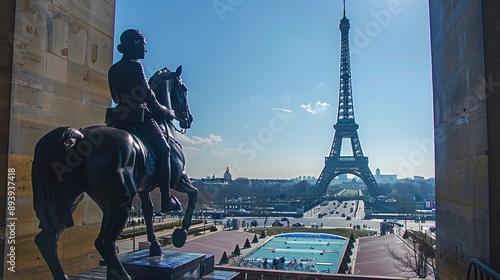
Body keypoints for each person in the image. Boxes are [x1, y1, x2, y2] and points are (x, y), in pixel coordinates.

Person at [108, 29, 180, 213]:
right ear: (135, 45)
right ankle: (166, 198)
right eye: (143, 44)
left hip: (117, 118)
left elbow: (115, 98)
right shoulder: (136, 66)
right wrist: (165, 111)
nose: (146, 49)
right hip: (138, 117)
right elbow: (147, 95)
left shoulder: (113, 69)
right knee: (164, 149)